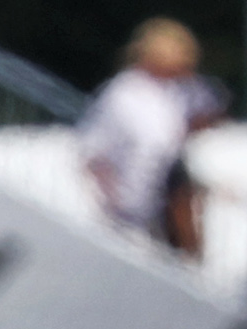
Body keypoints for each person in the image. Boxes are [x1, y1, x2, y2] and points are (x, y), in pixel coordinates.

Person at [85, 19, 222, 249]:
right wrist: (113, 203)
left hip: (147, 214)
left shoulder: (173, 96)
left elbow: (206, 112)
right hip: (113, 211)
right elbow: (95, 153)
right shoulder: (123, 93)